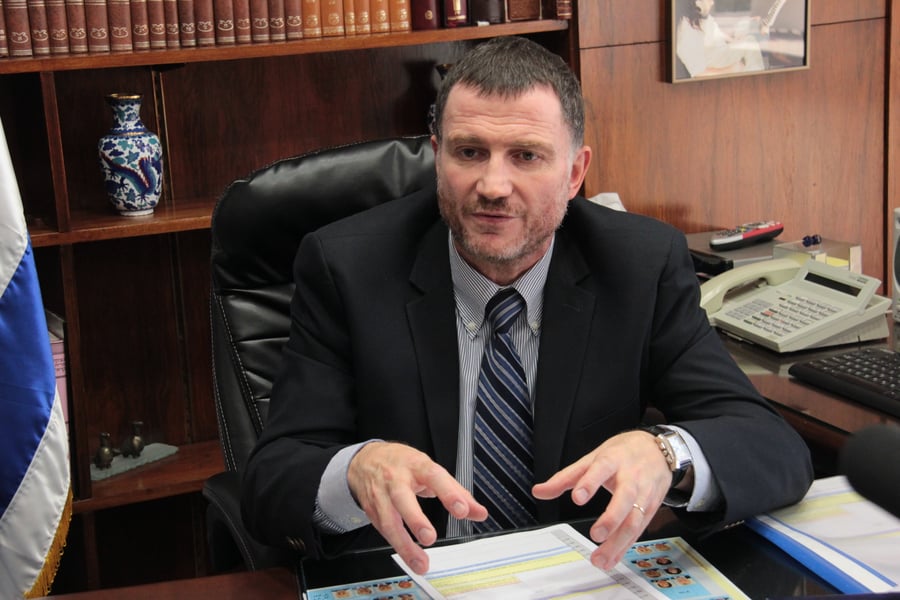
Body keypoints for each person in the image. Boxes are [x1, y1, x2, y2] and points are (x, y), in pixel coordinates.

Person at [241, 35, 813, 576]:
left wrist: (668, 454)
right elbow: (270, 482)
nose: (493, 185)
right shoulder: (348, 268)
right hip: (416, 576)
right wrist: (355, 470)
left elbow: (774, 448)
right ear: (437, 159)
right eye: (470, 152)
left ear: (575, 172)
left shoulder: (639, 266)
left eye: (526, 156)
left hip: (577, 577)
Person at [676, 0, 767, 79]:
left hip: (722, 54)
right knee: (750, 44)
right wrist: (732, 69)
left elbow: (718, 36)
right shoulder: (686, 29)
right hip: (718, 68)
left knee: (749, 40)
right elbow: (699, 73)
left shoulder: (701, 17)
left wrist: (747, 25)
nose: (712, 3)